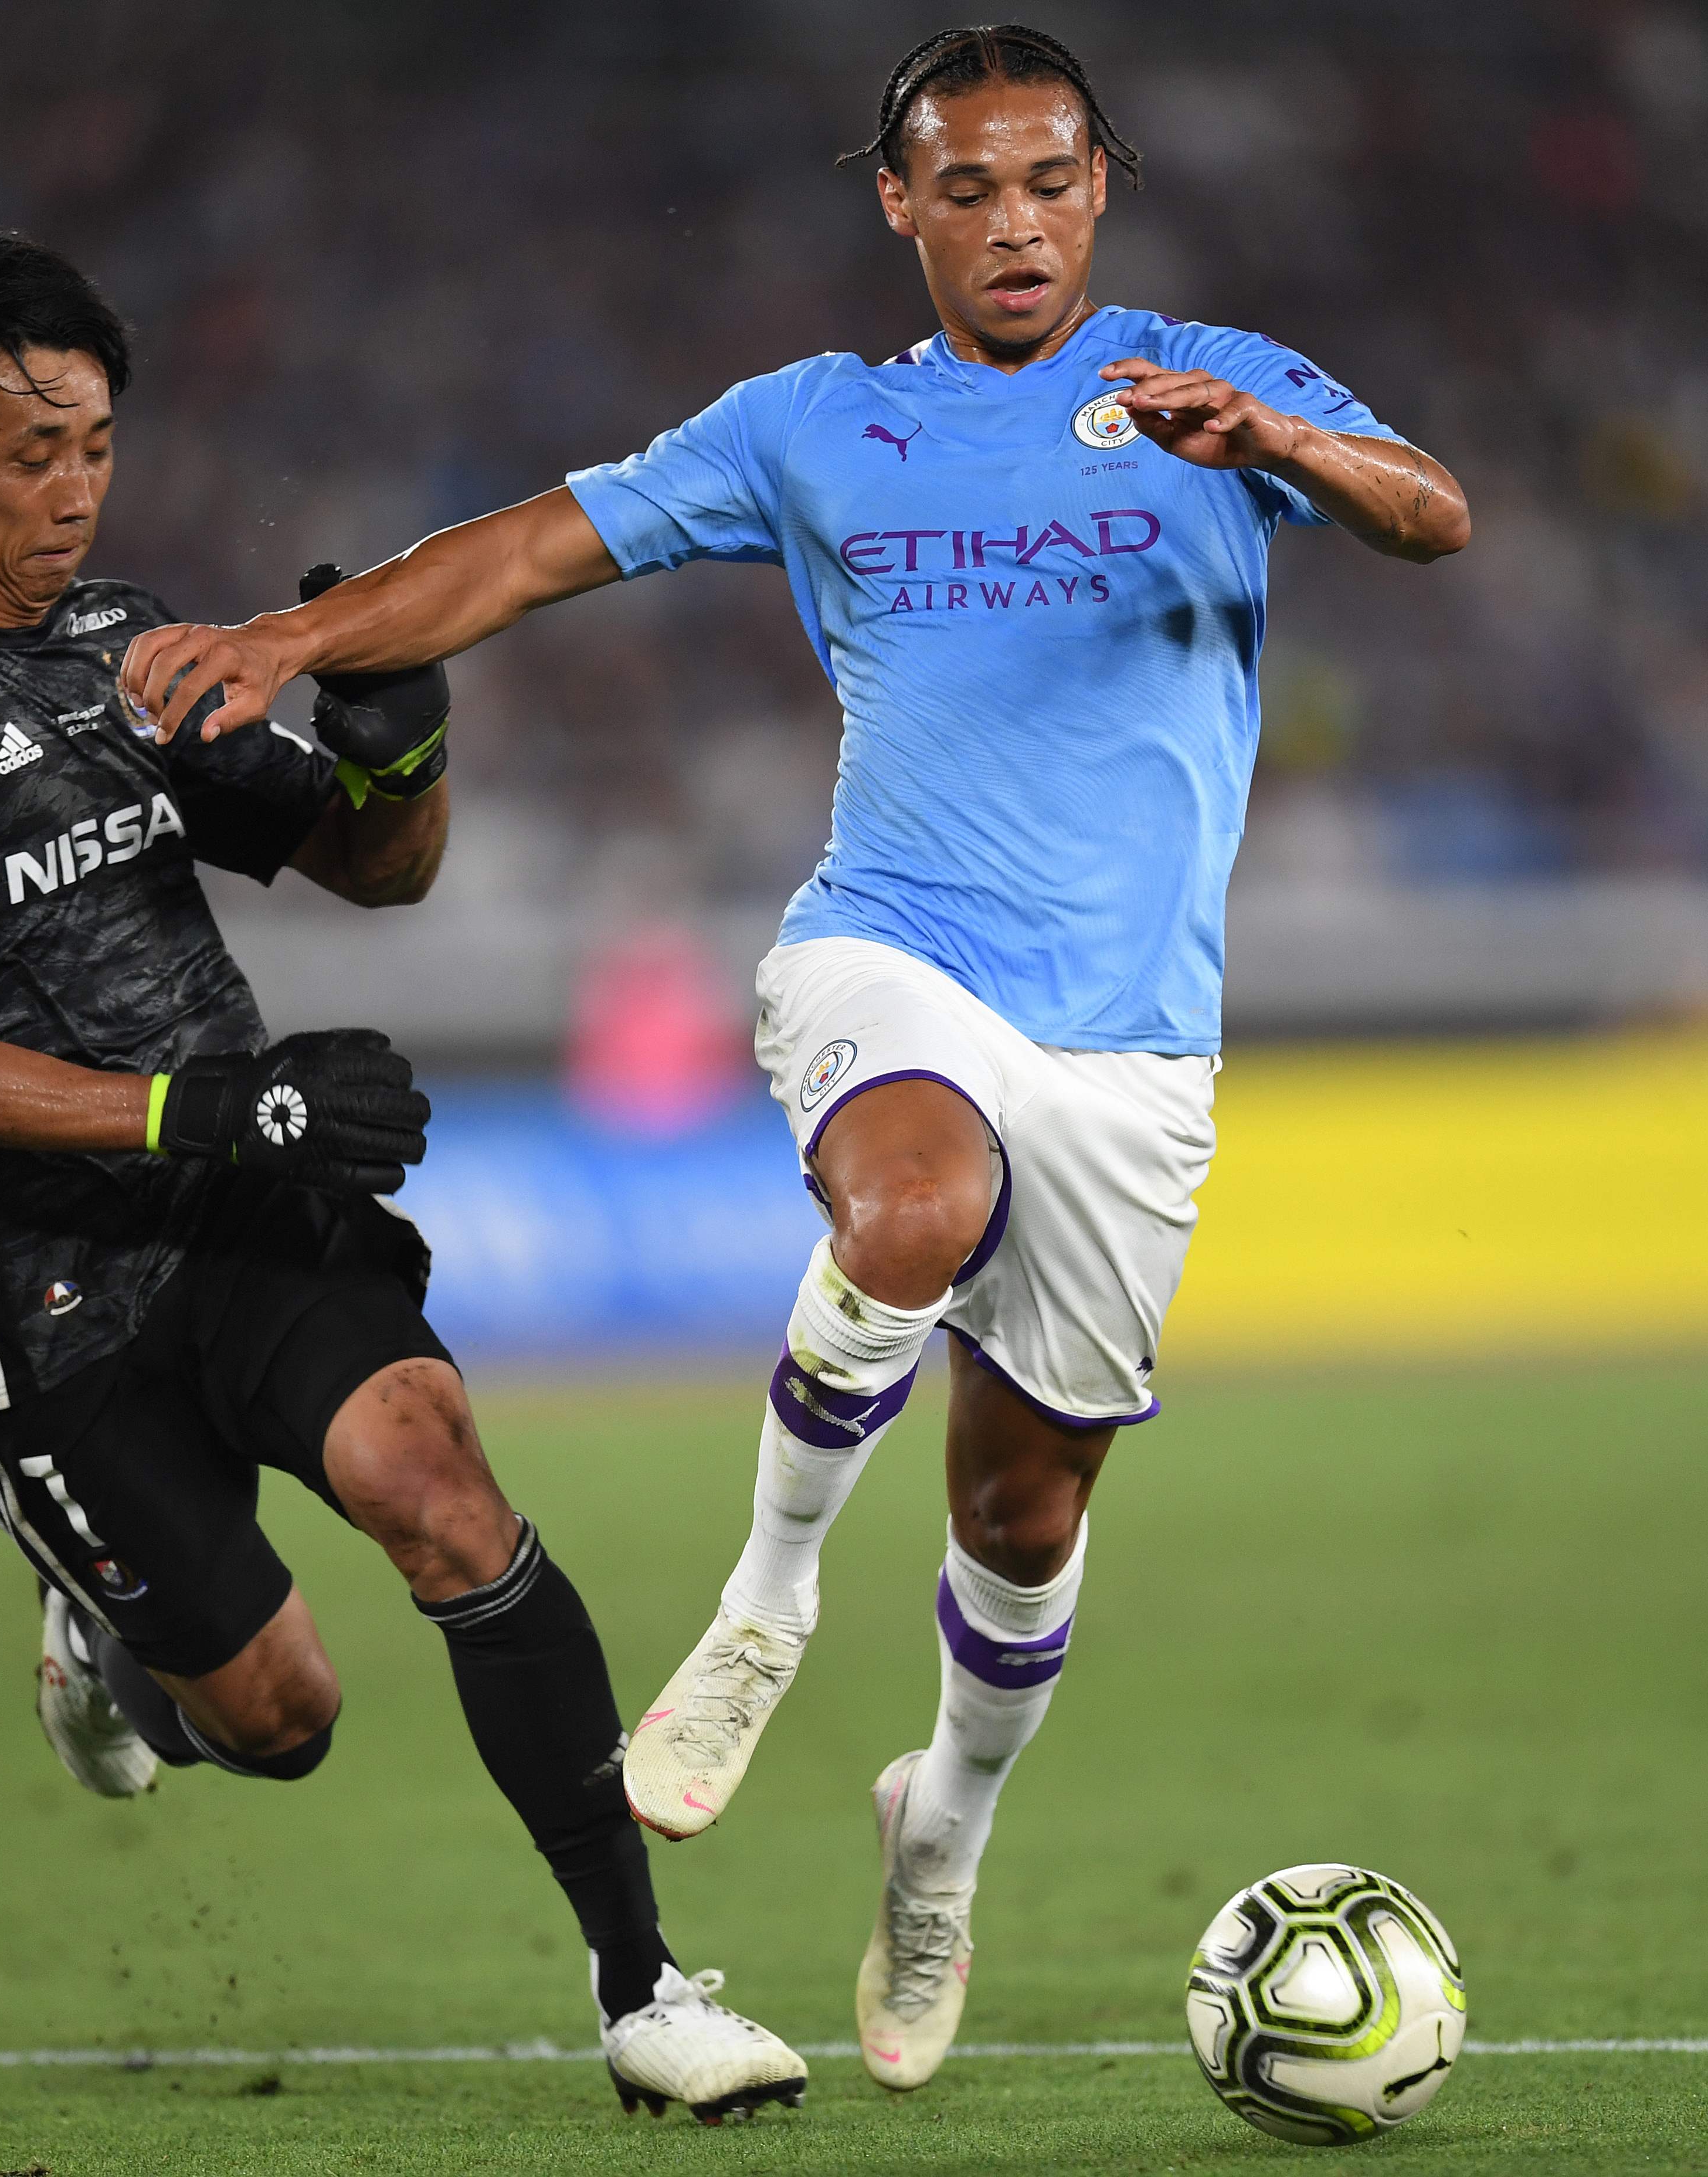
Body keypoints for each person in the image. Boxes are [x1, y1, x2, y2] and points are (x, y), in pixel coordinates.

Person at [121, 22, 1468, 2091]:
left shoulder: (1217, 378)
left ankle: (939, 1828)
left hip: (1127, 1044)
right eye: (967, 188)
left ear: (1096, 186)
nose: (1010, 224)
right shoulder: (816, 426)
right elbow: (540, 543)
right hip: (891, 950)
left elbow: (1429, 512)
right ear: (899, 205)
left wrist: (1277, 448)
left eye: (1045, 182)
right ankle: (760, 1611)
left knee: (1021, 1518)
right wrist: (307, 640)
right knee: (908, 1207)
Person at [0, 233, 803, 2121]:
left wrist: (402, 754)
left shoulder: (128, 653)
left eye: (96, 445)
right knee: (282, 1722)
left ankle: (646, 1989)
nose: (74, 489)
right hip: (31, 1298)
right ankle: (115, 1644)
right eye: (28, 452)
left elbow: (373, 869)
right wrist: (189, 1116)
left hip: (247, 1199)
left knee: (439, 1483)